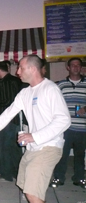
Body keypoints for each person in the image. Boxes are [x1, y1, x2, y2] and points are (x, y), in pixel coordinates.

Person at [0, 55, 71, 203]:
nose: (17, 72)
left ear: (33, 69)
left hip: (49, 147)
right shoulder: (25, 93)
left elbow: (64, 120)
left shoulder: (50, 89)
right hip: (33, 148)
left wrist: (35, 136)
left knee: (32, 194)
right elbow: (6, 115)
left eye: (21, 68)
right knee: (23, 185)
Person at [50, 57, 86, 189]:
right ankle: (59, 178)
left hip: (82, 127)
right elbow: (53, 102)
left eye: (78, 65)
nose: (76, 67)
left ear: (81, 68)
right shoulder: (61, 85)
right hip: (65, 128)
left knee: (80, 155)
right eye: (73, 65)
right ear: (68, 67)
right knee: (62, 155)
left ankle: (79, 178)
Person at [0, 60, 23, 182]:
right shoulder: (15, 81)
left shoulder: (6, 82)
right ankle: (16, 173)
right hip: (14, 120)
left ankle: (6, 174)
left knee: (5, 147)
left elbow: (7, 102)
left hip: (7, 120)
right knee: (14, 148)